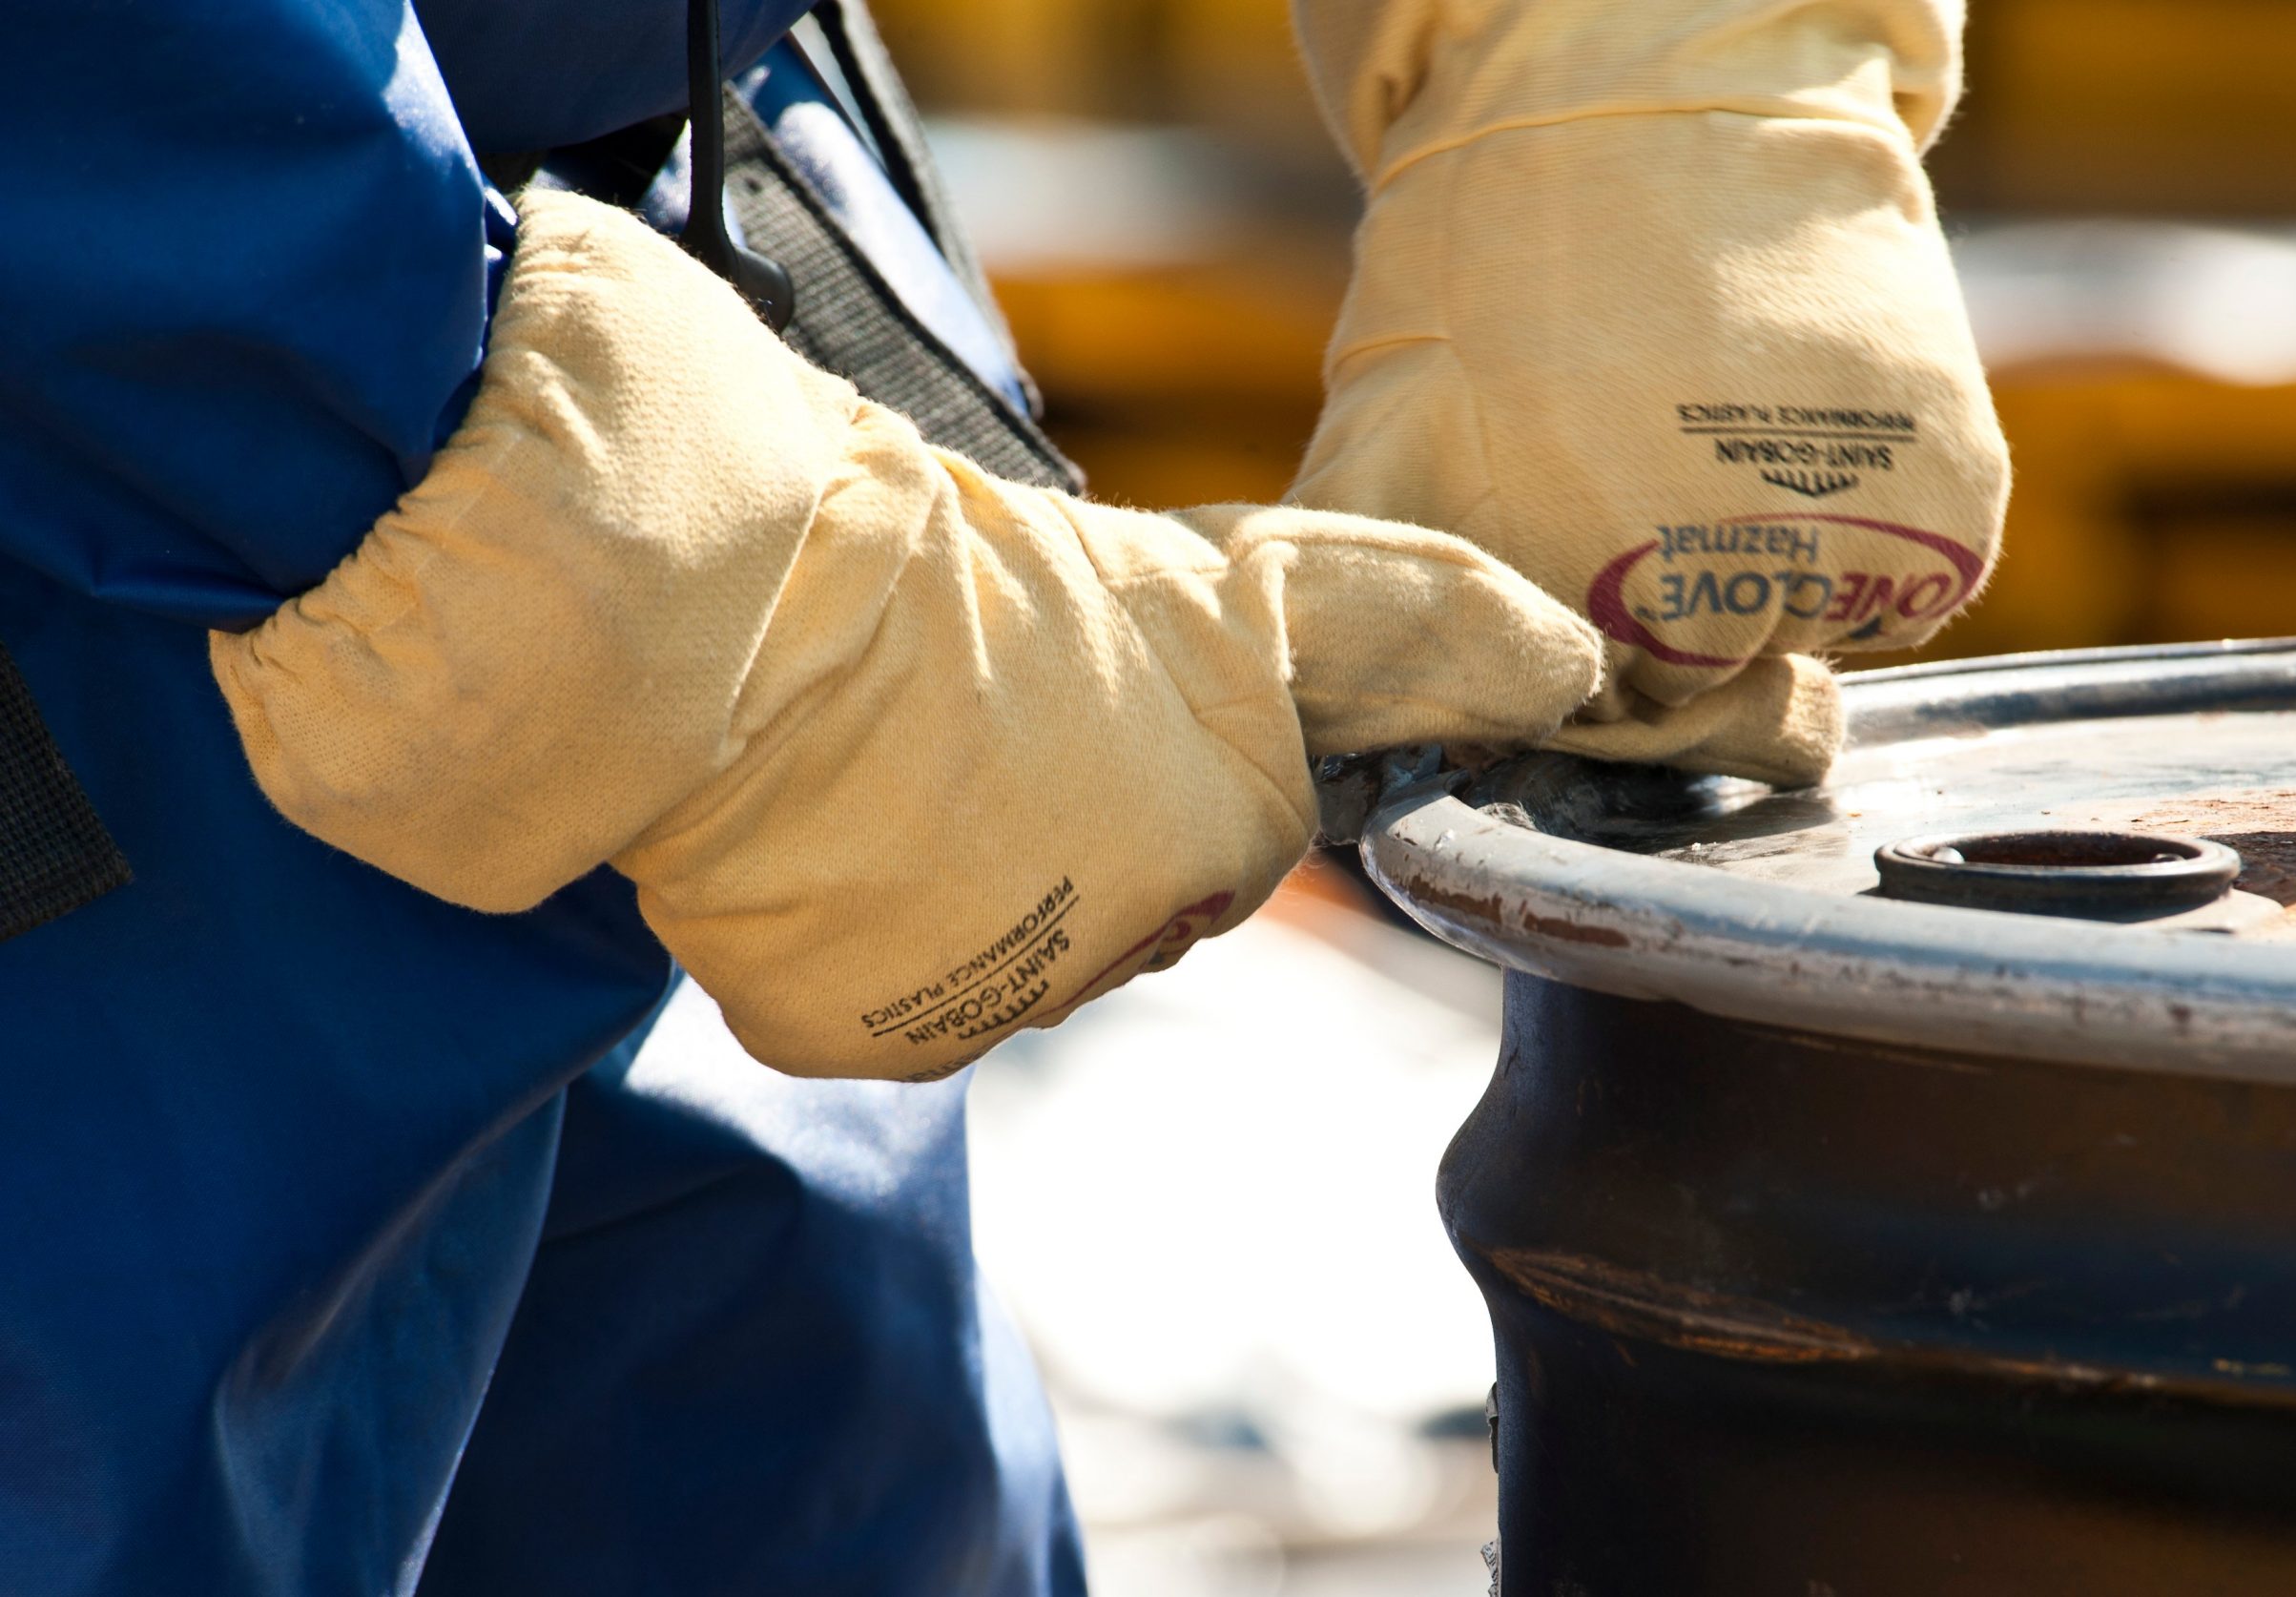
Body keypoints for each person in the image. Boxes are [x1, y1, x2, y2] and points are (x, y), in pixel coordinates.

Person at [0, 2, 2004, 1594]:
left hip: (658, 252)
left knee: (802, 1474)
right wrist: (591, 536)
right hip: (138, 498)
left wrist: (1649, 66)